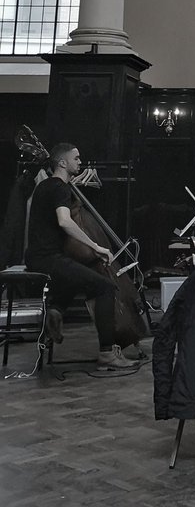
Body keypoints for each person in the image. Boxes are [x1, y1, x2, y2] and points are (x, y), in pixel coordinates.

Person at [24, 143, 133, 370]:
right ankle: (106, 353)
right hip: (48, 258)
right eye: (76, 159)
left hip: (36, 256)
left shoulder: (43, 186)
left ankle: (56, 311)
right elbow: (65, 221)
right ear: (62, 163)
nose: (80, 163)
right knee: (104, 287)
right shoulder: (60, 188)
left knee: (77, 271)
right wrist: (96, 246)